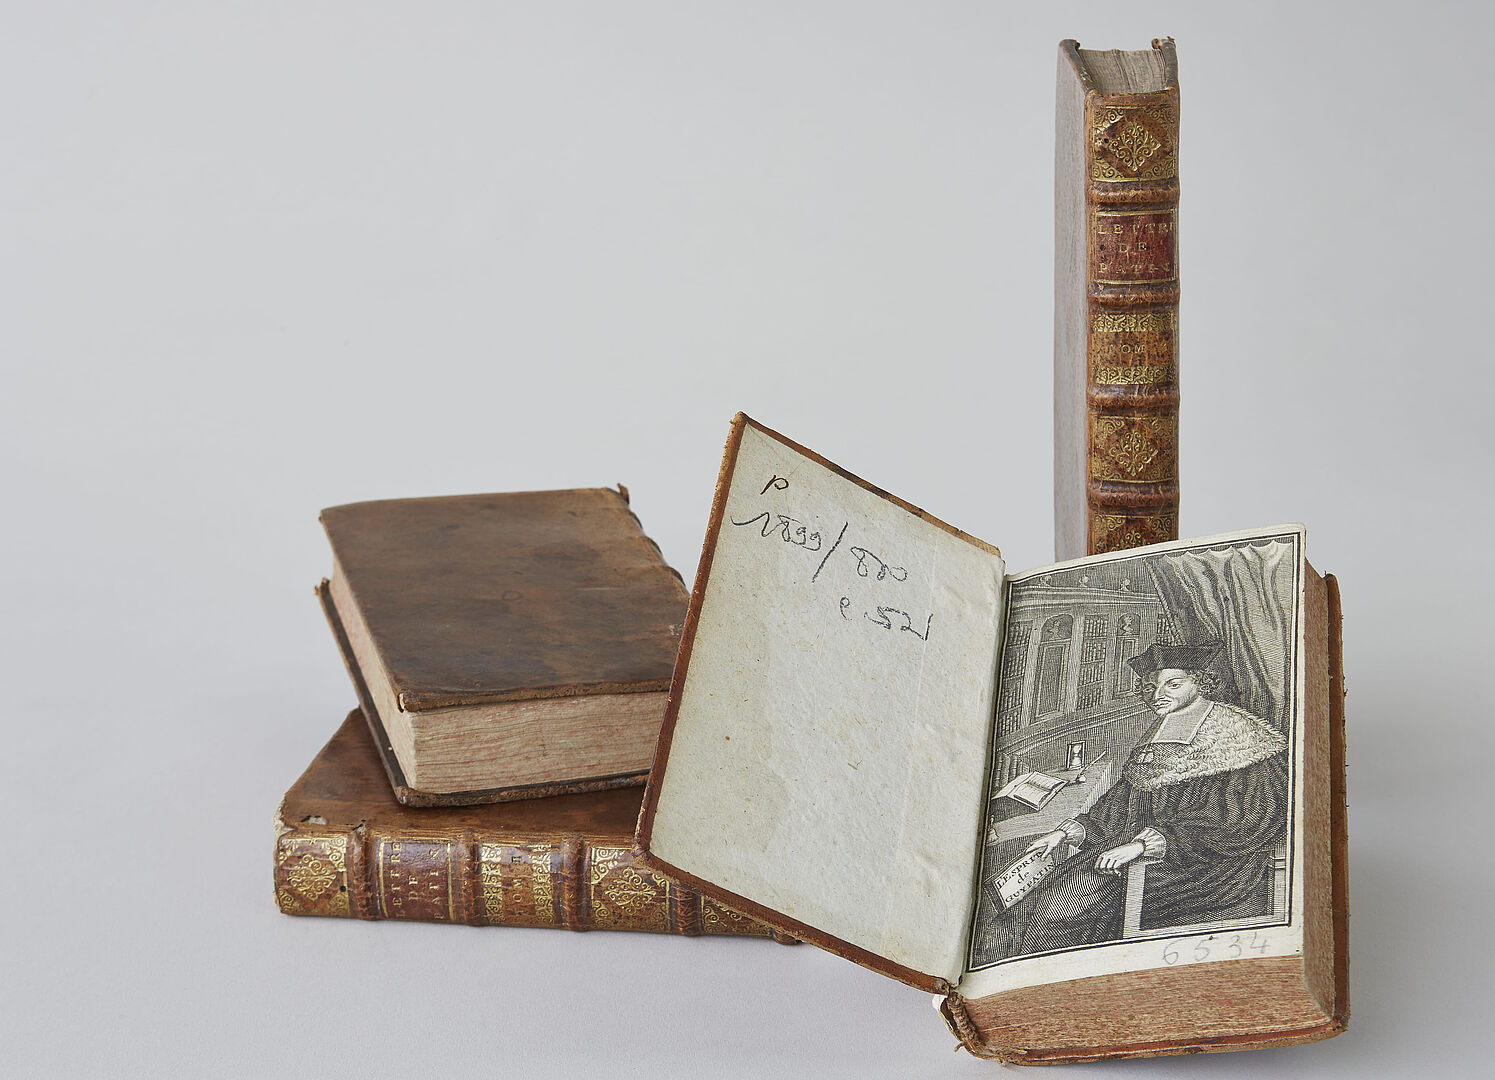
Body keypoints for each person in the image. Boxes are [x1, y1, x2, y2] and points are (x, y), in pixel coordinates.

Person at [994, 641, 1289, 956]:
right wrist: (1067, 832)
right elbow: (1121, 803)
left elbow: (1240, 822)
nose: (1157, 694)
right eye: (1150, 687)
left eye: (1173, 684)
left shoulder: (1240, 739)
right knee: (1039, 896)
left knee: (1060, 906)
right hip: (1139, 849)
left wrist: (1143, 846)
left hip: (1206, 866)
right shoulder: (1165, 726)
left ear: (1200, 682)